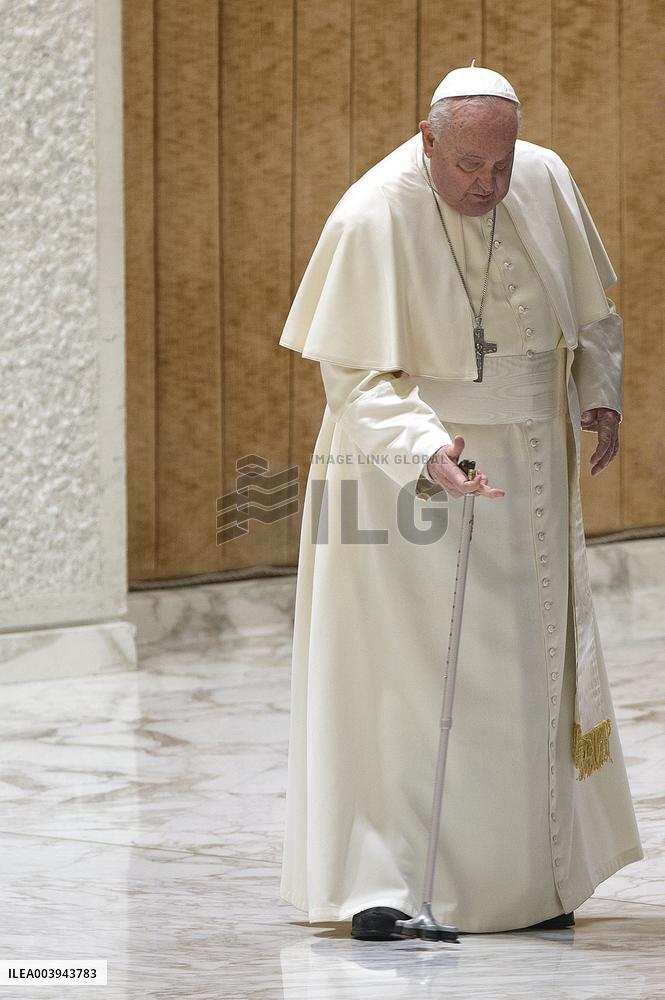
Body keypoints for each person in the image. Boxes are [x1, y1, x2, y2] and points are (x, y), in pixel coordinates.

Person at [277, 63, 643, 938]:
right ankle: (389, 882)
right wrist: (426, 447)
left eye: (499, 167)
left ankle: (532, 881)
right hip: (411, 473)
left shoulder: (545, 177)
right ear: (427, 137)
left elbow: (590, 312)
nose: (485, 186)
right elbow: (355, 375)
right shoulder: (372, 213)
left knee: (525, 672)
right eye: (468, 166)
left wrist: (599, 388)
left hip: (532, 471)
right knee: (409, 684)